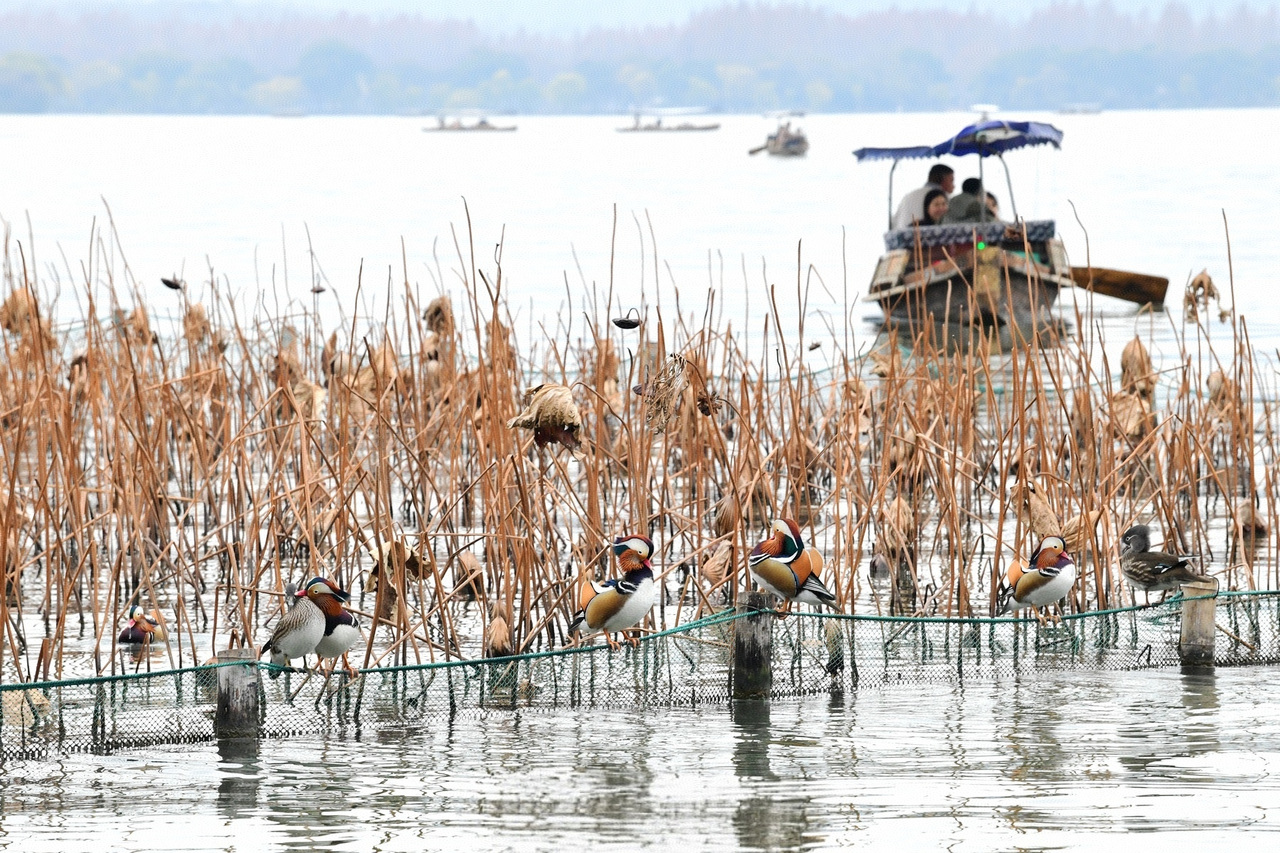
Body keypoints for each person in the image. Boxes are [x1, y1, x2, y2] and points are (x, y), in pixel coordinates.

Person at [892, 164, 954, 230]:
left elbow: (894, 221)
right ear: (943, 180)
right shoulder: (943, 197)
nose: (953, 185)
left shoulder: (909, 195)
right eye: (951, 181)